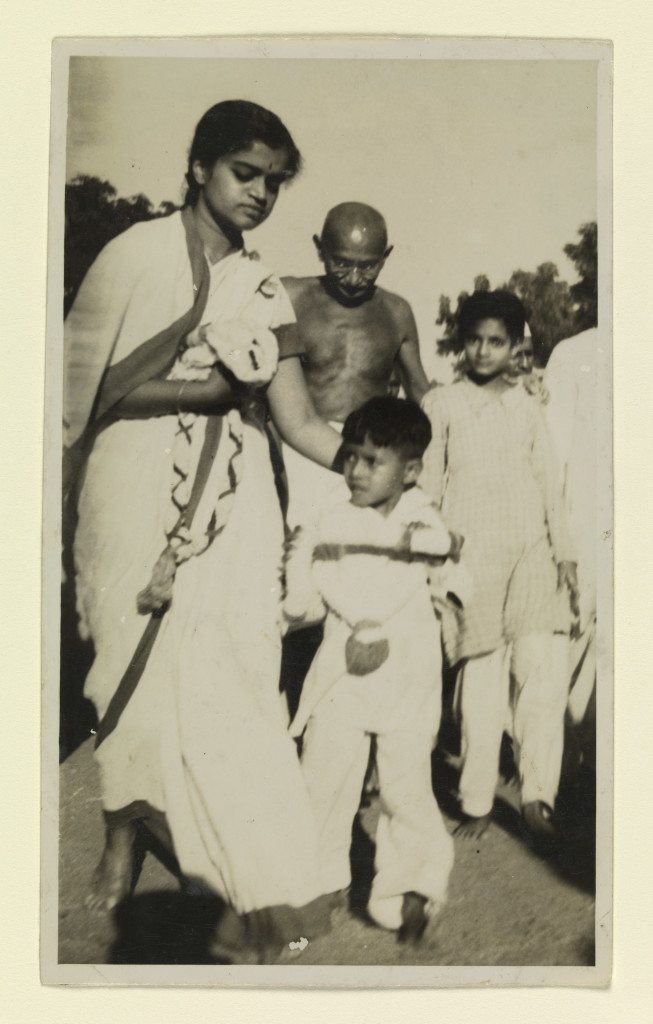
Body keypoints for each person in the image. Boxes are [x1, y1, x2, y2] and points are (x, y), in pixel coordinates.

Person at [63, 100, 343, 961]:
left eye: (273, 183)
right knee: (126, 669)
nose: (259, 194)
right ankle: (122, 830)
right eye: (243, 174)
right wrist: (206, 395)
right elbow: (78, 395)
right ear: (198, 168)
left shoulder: (265, 285)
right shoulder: (133, 254)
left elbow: (296, 421)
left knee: (232, 671)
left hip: (235, 506)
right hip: (132, 486)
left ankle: (224, 865)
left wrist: (386, 473)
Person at [285, 397, 465, 943]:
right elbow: (306, 598)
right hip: (342, 668)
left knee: (407, 782)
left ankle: (407, 890)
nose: (355, 471)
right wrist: (292, 602)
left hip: (408, 673)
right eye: (350, 458)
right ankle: (320, 884)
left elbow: (453, 584)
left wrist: (453, 596)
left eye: (372, 461)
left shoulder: (427, 523)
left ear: (410, 471)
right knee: (324, 776)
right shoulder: (330, 522)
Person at [420, 291, 578, 842]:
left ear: (516, 348)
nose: (484, 352)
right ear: (461, 344)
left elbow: (549, 485)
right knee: (480, 689)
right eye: (474, 340)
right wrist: (435, 551)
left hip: (533, 553)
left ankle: (539, 796)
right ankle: (478, 799)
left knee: (542, 674)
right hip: (471, 564)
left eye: (497, 342)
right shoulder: (441, 405)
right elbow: (428, 485)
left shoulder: (529, 405)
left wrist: (565, 553)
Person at [280, 202, 431, 530]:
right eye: (341, 263)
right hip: (293, 451)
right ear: (320, 248)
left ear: (385, 256)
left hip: (364, 457)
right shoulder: (290, 296)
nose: (353, 278)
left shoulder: (396, 312)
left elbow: (421, 393)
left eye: (368, 267)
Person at [544, 328, 598, 768]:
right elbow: (552, 454)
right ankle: (543, 771)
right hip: (586, 522)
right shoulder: (575, 353)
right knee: (569, 640)